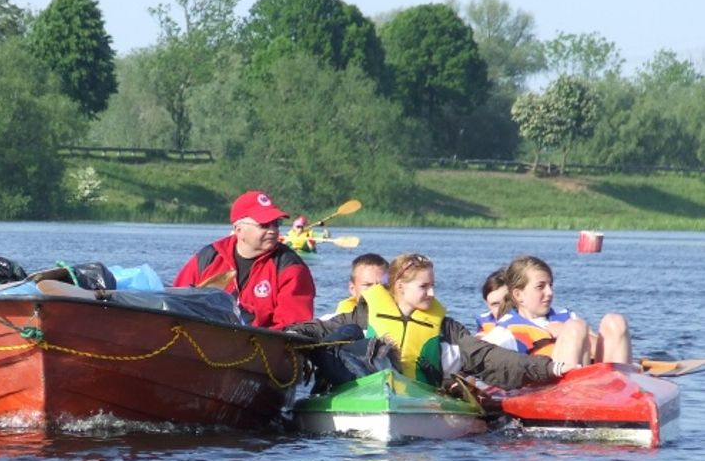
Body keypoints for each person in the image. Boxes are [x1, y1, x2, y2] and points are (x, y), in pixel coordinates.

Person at [286, 252, 573, 391]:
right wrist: (283, 334)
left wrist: (550, 368)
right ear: (399, 286)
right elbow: (319, 328)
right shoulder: (364, 313)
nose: (432, 293)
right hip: (363, 391)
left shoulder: (446, 327)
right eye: (424, 287)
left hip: (419, 398)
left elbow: (488, 357)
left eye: (432, 285)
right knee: (341, 335)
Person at [173, 190, 315, 329]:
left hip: (259, 346)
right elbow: (176, 301)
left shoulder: (291, 267)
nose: (273, 230)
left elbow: (293, 328)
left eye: (276, 223)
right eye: (264, 225)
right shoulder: (209, 257)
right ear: (238, 230)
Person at [492, 255, 631, 366]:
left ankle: (620, 389)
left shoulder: (567, 317)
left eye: (550, 285)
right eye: (540, 287)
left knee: (615, 321)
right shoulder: (506, 330)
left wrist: (564, 332)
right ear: (518, 295)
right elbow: (481, 359)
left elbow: (601, 348)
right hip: (545, 389)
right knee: (575, 327)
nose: (550, 292)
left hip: (592, 386)